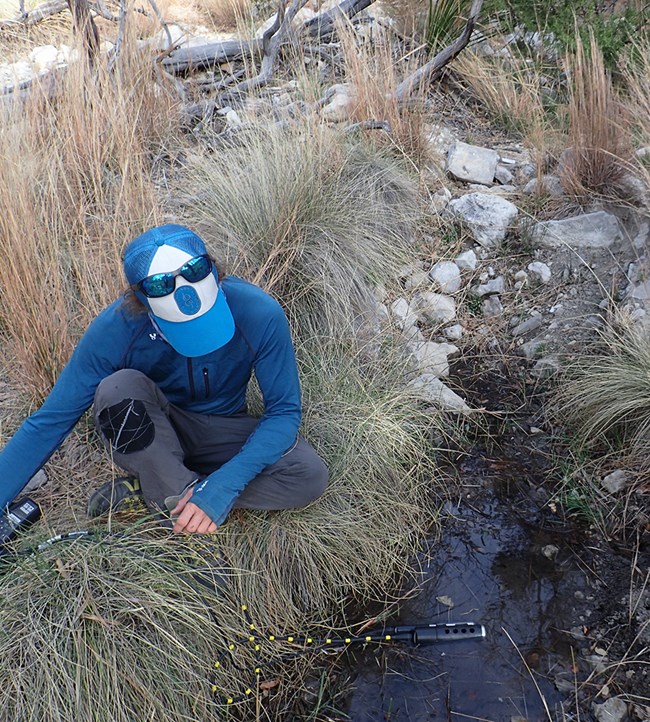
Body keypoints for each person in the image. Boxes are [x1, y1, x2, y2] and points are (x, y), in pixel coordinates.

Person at [0, 224, 329, 533]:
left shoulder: (260, 312)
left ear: (214, 273)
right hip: (155, 432)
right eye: (182, 330)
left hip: (225, 432)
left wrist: (223, 486)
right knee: (117, 387)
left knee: (309, 476)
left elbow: (283, 412)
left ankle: (160, 490)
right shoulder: (115, 329)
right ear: (143, 303)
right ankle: (181, 498)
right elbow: (51, 421)